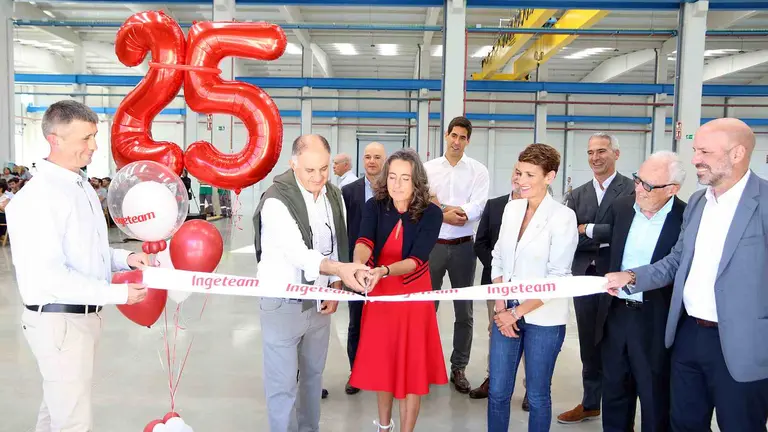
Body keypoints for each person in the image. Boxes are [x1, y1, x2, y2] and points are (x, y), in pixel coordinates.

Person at [604, 118, 768, 431]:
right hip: (689, 334)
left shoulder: (764, 203)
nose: (695, 159)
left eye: (704, 151)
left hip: (743, 343)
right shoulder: (698, 202)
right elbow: (678, 260)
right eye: (695, 150)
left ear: (736, 154)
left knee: (740, 424)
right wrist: (632, 277)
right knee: (684, 423)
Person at [5, 100, 150, 431]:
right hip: (60, 320)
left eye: (94, 136)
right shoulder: (39, 198)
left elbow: (87, 251)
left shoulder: (78, 185)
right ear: (55, 139)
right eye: (85, 138)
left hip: (81, 318)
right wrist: (118, 293)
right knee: (72, 419)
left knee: (58, 406)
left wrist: (124, 258)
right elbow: (53, 276)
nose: (94, 146)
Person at [253, 134, 371, 432]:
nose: (318, 177)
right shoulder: (275, 201)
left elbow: (335, 241)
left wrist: (334, 285)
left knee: (312, 378)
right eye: (310, 170)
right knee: (282, 387)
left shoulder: (333, 195)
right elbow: (299, 254)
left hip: (319, 304)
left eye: (324, 169)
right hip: (282, 304)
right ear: (293, 164)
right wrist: (340, 270)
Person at [349, 148, 447, 432]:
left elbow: (417, 259)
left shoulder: (432, 214)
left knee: (411, 369)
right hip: (380, 294)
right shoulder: (375, 205)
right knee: (384, 365)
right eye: (392, 177)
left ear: (417, 181)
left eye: (405, 178)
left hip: (413, 294)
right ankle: (383, 426)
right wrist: (358, 264)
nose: (397, 184)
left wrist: (383, 270)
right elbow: (365, 240)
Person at [488, 143, 578, 432]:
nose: (520, 180)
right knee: (498, 392)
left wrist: (516, 313)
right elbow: (498, 258)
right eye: (518, 172)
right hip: (506, 310)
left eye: (529, 175)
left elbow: (557, 277)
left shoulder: (563, 217)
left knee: (538, 395)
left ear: (549, 177)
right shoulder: (512, 209)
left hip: (544, 318)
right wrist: (501, 307)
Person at [594, 151, 687, 432]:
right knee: (613, 394)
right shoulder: (622, 207)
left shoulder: (686, 217)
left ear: (672, 189)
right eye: (638, 180)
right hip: (616, 314)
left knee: (654, 397)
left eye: (648, 185)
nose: (638, 188)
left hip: (655, 318)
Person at [559, 132, 634, 424]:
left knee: (617, 341)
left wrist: (586, 228)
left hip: (618, 276)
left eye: (602, 151)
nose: (595, 158)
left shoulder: (631, 190)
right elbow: (568, 236)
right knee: (589, 342)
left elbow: (624, 233)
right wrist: (601, 233)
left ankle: (620, 405)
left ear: (616, 154)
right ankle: (591, 402)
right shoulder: (576, 194)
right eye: (591, 152)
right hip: (585, 277)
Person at [425, 116, 490, 394]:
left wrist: (443, 209)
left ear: (468, 140)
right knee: (427, 309)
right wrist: (445, 213)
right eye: (453, 135)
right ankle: (425, 364)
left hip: (464, 247)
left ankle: (458, 367)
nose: (457, 141)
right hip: (432, 247)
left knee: (464, 312)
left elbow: (476, 208)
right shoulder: (427, 170)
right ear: (446, 136)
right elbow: (422, 201)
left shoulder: (478, 171)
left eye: (463, 137)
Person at [470, 165, 526, 406]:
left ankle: (530, 388)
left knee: (531, 333)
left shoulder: (545, 210)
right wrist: (498, 272)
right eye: (515, 172)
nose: (518, 177)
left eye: (524, 173)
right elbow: (480, 243)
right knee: (497, 331)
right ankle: (493, 379)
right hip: (497, 283)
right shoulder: (494, 205)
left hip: (531, 287)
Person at [341, 141, 387, 395]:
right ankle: (355, 372)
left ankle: (382, 370)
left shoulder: (394, 190)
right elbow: (342, 230)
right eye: (367, 157)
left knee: (385, 322)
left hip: (386, 268)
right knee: (356, 321)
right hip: (356, 268)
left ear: (385, 160)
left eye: (377, 157)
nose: (371, 161)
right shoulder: (348, 192)